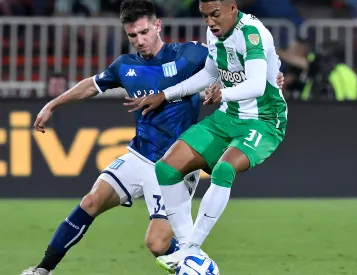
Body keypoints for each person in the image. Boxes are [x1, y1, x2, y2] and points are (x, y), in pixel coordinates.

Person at [20, 1, 285, 275]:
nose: (140, 40)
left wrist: (272, 74)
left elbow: (234, 62)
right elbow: (92, 85)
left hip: (178, 161)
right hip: (139, 155)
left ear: (157, 26)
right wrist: (53, 104)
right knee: (91, 201)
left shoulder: (189, 53)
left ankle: (193, 263)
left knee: (157, 243)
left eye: (144, 32)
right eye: (133, 35)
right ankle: (42, 270)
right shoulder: (125, 66)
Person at [125, 0, 288, 272]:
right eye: (205, 16)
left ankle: (190, 251)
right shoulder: (215, 35)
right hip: (229, 116)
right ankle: (189, 248)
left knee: (224, 169)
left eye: (215, 15)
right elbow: (209, 74)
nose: (210, 22)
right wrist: (166, 94)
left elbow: (258, 85)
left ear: (232, 8)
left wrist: (224, 93)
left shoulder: (252, 34)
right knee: (166, 167)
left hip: (264, 121)